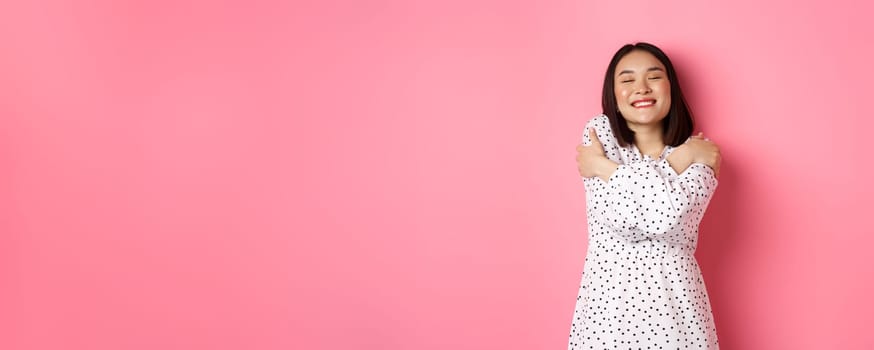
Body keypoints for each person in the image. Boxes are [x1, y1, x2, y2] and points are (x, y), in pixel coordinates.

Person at [569, 42, 722, 349]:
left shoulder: (704, 152)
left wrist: (604, 168)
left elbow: (665, 219)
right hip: (606, 317)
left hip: (678, 316)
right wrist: (681, 161)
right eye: (627, 80)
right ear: (613, 95)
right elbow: (620, 221)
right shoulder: (599, 134)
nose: (641, 88)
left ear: (671, 87)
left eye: (653, 76)